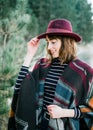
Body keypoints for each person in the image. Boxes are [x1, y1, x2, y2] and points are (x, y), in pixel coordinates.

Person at [8, 19, 93, 130]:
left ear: (66, 42)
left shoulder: (83, 72)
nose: (49, 47)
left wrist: (64, 112)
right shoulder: (42, 65)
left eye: (53, 42)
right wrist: (29, 55)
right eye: (48, 42)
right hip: (37, 125)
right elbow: (20, 90)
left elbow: (90, 110)